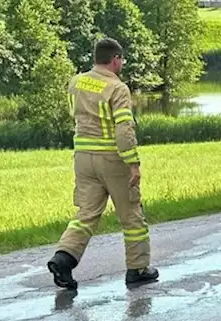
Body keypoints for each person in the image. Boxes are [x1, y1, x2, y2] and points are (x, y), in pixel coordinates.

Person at [48, 37, 159, 290]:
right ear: (115, 59)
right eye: (122, 60)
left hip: (83, 158)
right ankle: (138, 269)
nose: (122, 64)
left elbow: (74, 115)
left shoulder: (76, 82)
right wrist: (133, 164)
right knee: (132, 216)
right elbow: (124, 130)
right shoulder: (117, 88)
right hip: (112, 160)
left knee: (86, 214)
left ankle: (63, 258)